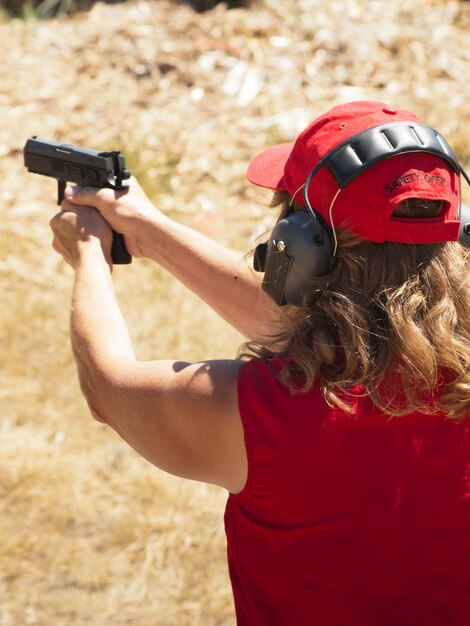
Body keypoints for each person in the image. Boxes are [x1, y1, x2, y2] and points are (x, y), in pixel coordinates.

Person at [50, 101, 470, 626]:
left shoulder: (262, 416)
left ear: (302, 249)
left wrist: (87, 254)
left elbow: (106, 387)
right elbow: (289, 322)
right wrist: (148, 229)